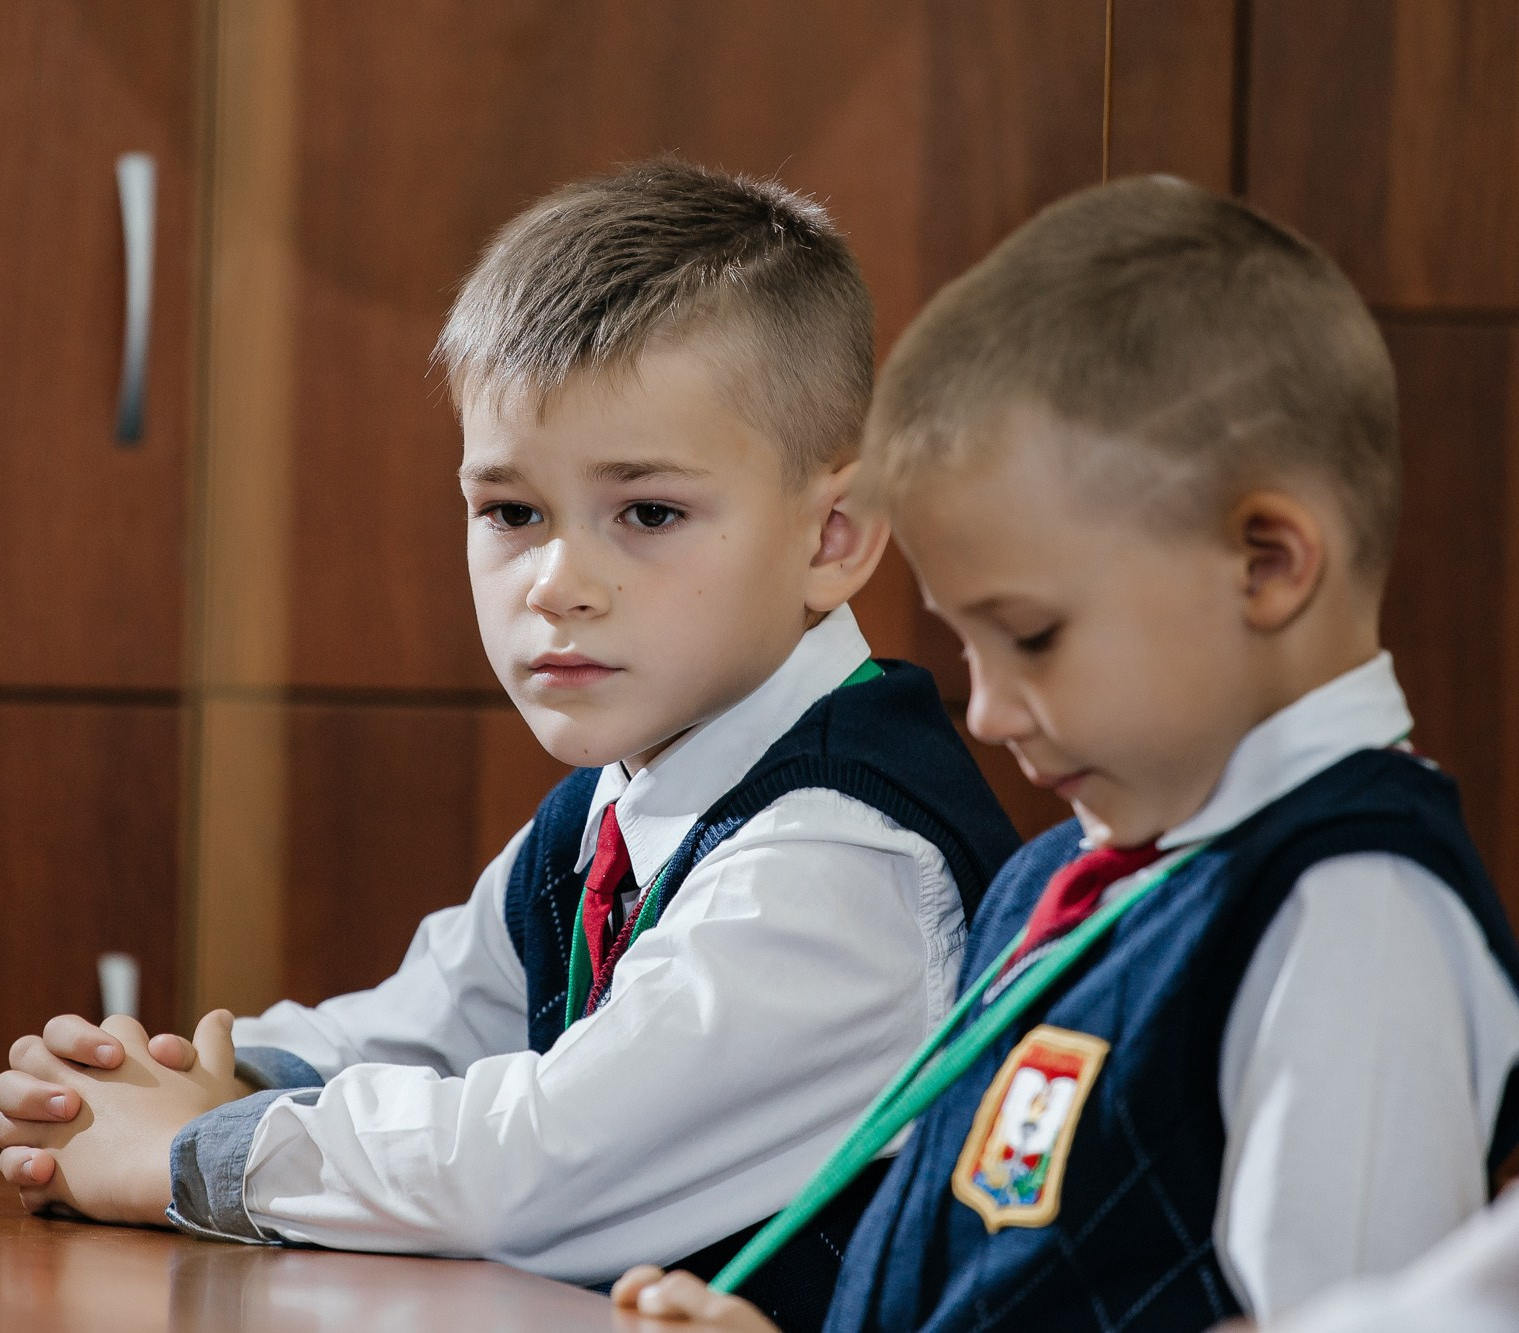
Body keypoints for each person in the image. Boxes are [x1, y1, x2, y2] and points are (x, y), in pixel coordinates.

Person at [0, 159, 1019, 1328]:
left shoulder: (839, 857)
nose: (557, 584)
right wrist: (167, 1084)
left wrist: (199, 1150)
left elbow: (539, 1166)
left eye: (648, 512)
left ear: (832, 536)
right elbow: (427, 1026)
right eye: (511, 512)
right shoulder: (612, 808)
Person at [614, 175, 1519, 1332]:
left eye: (1031, 635)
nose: (985, 711)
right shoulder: (1055, 878)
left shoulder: (1349, 904)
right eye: (965, 644)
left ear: (1266, 565)